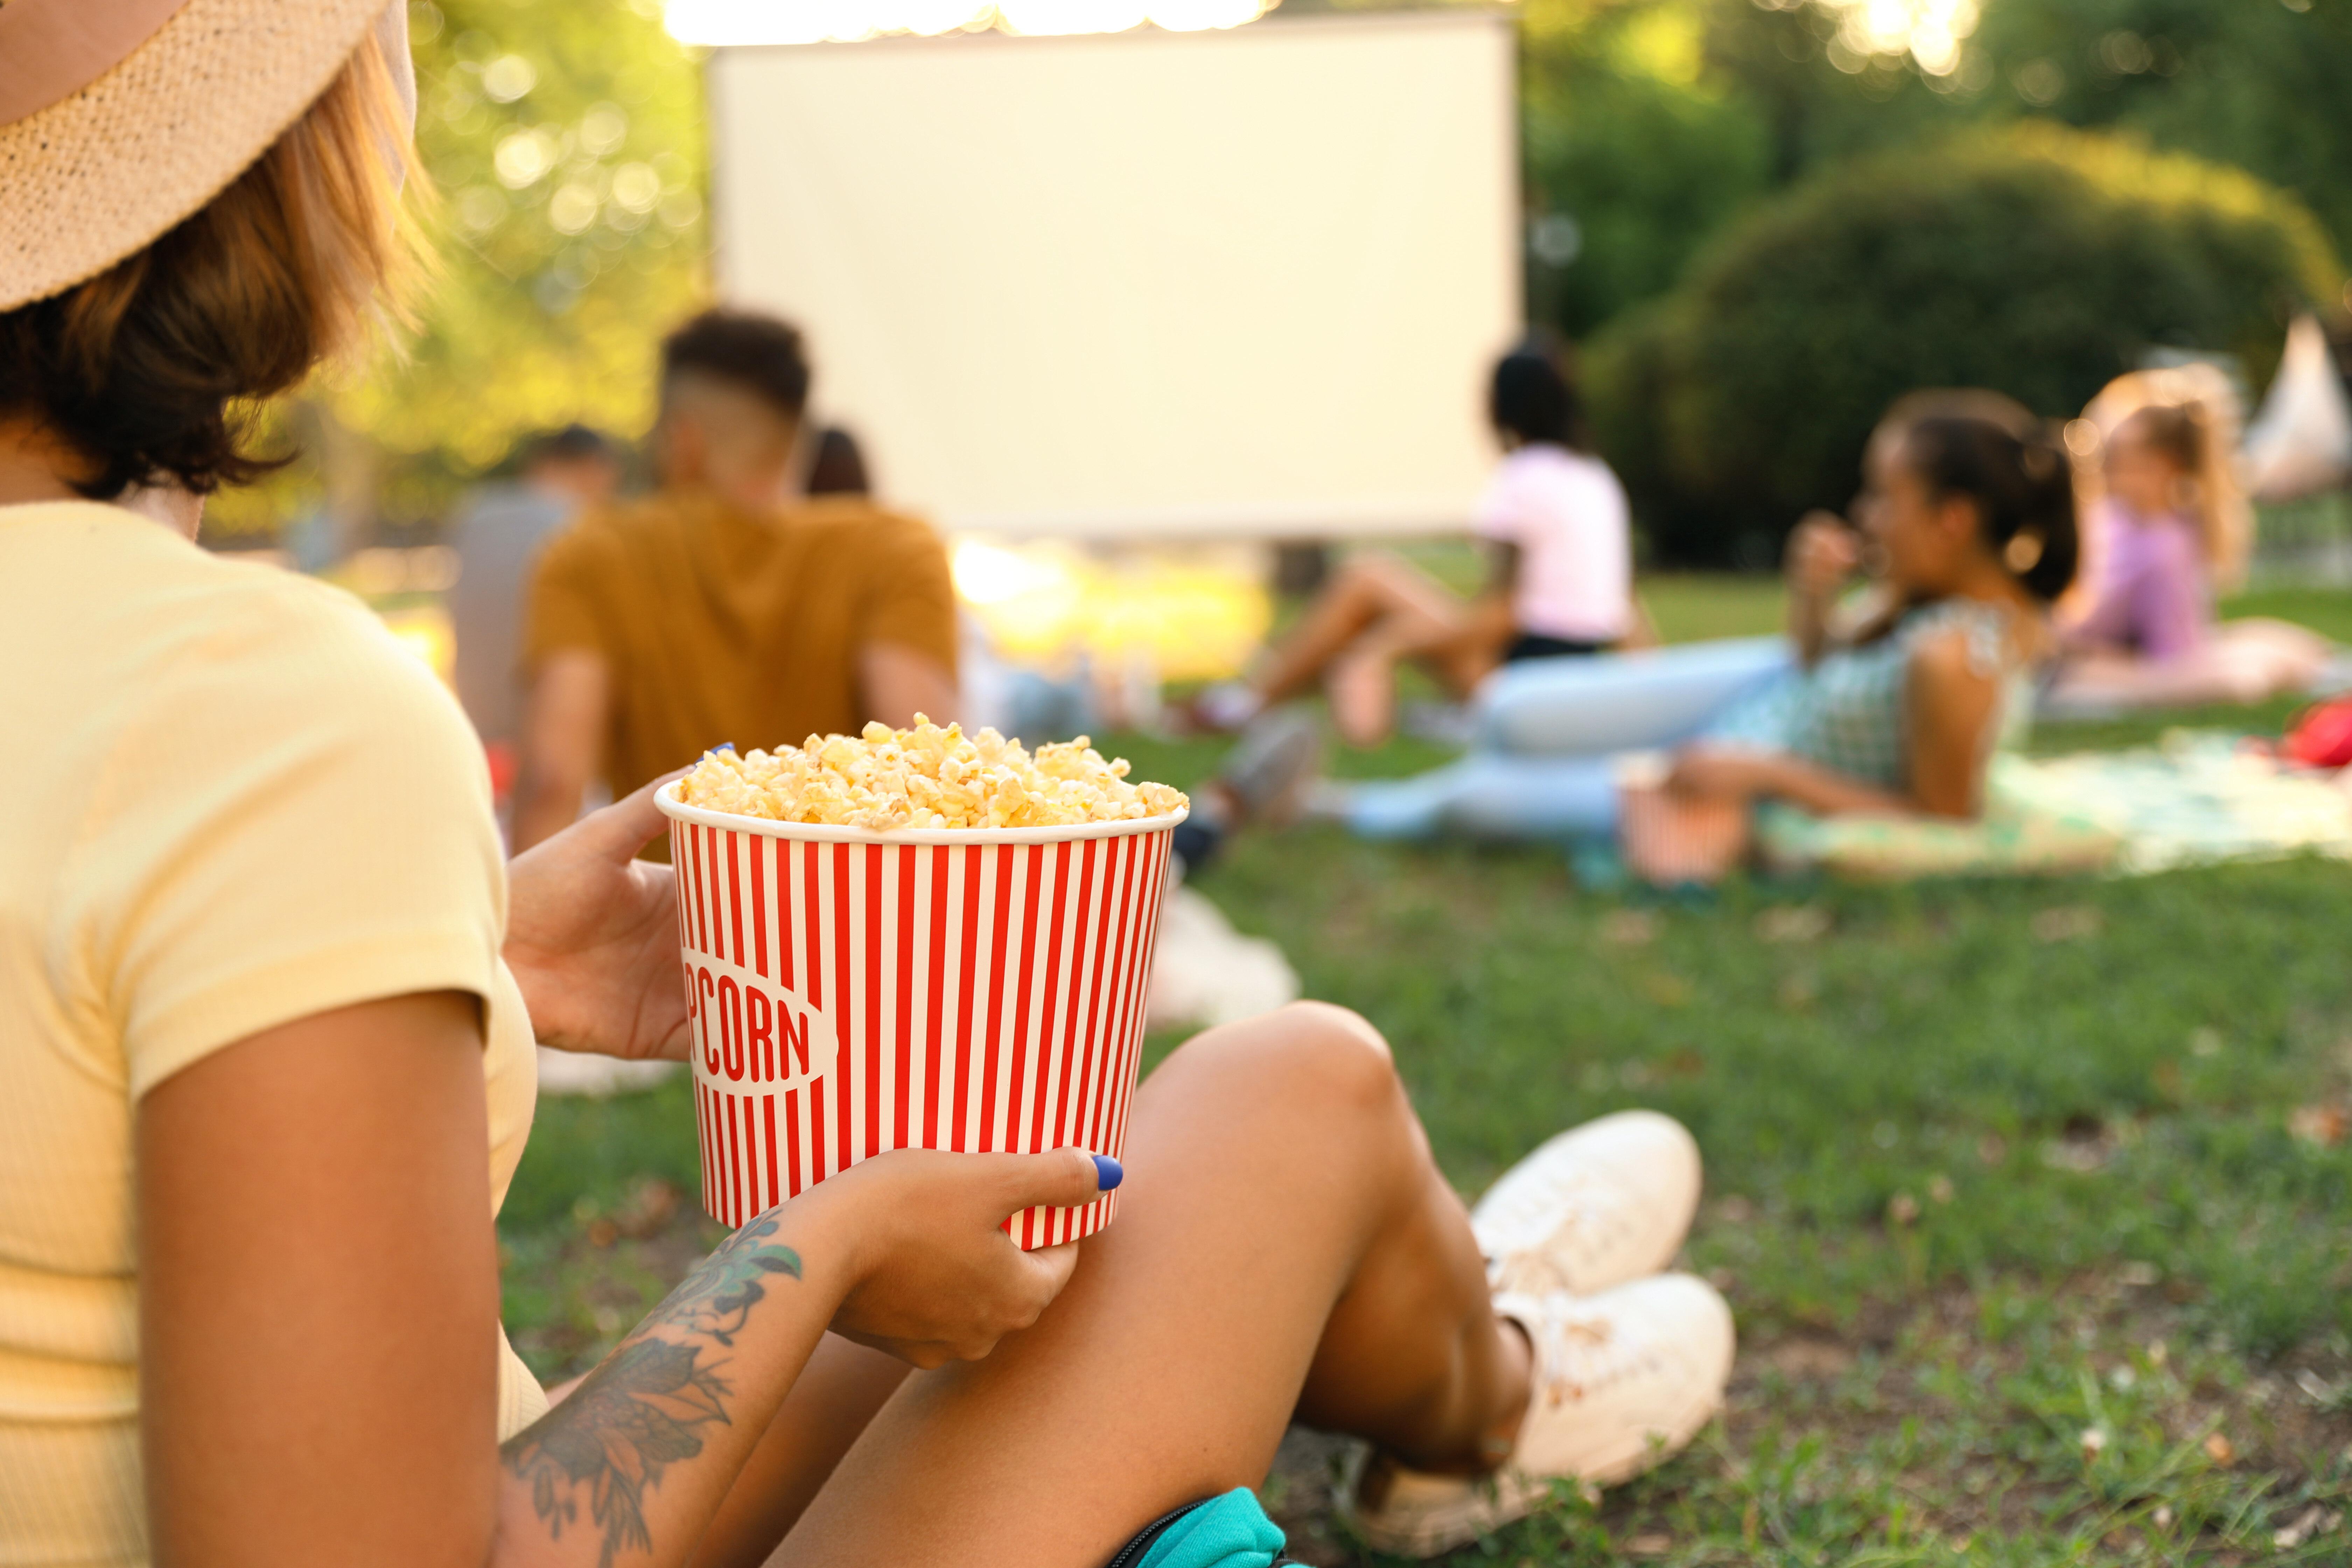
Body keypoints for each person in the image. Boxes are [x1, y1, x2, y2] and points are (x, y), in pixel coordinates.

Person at [0, 9, 1731, 1567]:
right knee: (1296, 1089)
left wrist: (472, 959)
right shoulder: (261, 708)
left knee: (1141, 1178)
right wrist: (820, 1247)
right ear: (291, 165)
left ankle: (1488, 1317)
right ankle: (1493, 1385)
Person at [1334, 391, 2081, 862]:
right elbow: (1821, 657)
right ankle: (1326, 799)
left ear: (1952, 521)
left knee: (1483, 799)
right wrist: (1812, 597)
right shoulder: (1922, 600)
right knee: (1506, 709)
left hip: (1749, 760)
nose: (1865, 514)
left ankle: (1329, 805)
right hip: (1759, 697)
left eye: (1885, 497)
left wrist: (1763, 775)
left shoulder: (1958, 657)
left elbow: (1940, 817)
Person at [512, 310, 960, 850]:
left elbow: (553, 781)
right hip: (850, 924)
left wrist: (526, 926)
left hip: (672, 918)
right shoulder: (898, 549)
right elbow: (929, 769)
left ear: (683, 439)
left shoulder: (589, 555)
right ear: (796, 436)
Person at [1195, 340, 1639, 747]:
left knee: (1366, 579)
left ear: (1501, 405)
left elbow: (1502, 618)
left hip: (1517, 686)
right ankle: (1257, 700)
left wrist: (1389, 648)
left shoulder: (1523, 480)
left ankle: (1248, 703)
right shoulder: (1596, 478)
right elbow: (1621, 608)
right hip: (1577, 678)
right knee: (1368, 599)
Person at [2046, 383, 2331, 714]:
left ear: (2170, 465)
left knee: (2249, 669)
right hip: (2061, 652)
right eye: (2109, 455)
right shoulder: (2109, 517)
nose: (2109, 469)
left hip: (2085, 658)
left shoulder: (2166, 545)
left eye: (2126, 458)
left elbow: (2174, 658)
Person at [447, 424, 622, 798]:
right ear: (596, 470)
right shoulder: (586, 530)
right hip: (550, 759)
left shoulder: (474, 518)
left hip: (477, 751)